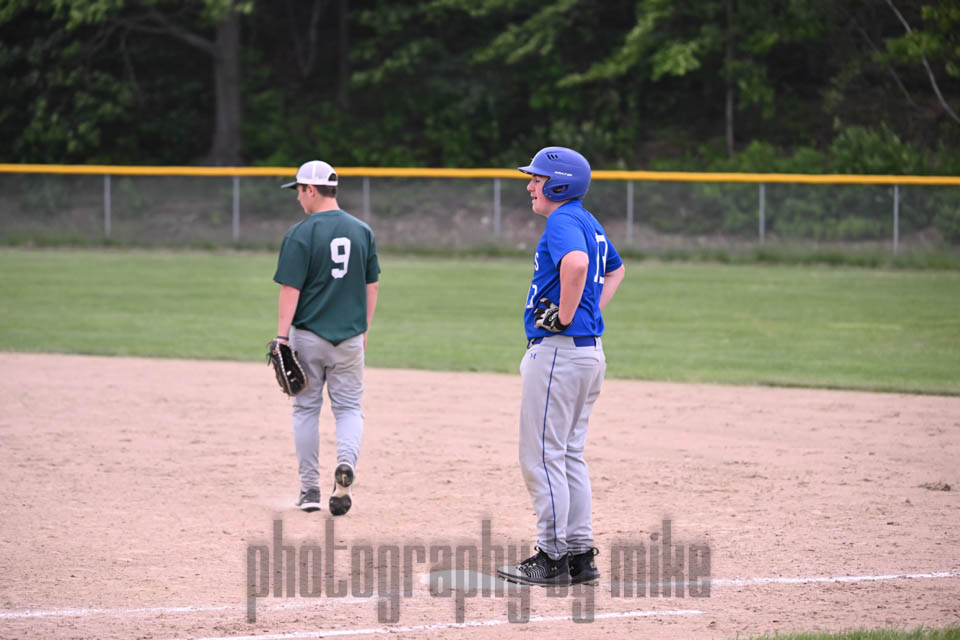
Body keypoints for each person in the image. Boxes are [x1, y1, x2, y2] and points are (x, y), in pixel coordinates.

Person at [497, 146, 626, 587]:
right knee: (569, 454)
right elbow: (616, 271)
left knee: (541, 455)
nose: (530, 186)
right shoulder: (589, 222)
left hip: (559, 352)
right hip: (587, 353)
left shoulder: (563, 220)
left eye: (537, 179)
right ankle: (579, 556)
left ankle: (551, 556)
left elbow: (577, 264)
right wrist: (586, 312)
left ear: (558, 185)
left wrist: (567, 315)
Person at [273, 160, 380, 516]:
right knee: (348, 408)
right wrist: (364, 329)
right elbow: (372, 286)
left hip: (308, 336)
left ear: (311, 190)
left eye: (299, 190)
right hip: (349, 338)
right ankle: (345, 464)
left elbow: (290, 290)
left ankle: (309, 491)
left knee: (306, 409)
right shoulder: (362, 231)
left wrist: (282, 337)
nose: (298, 197)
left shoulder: (300, 233)